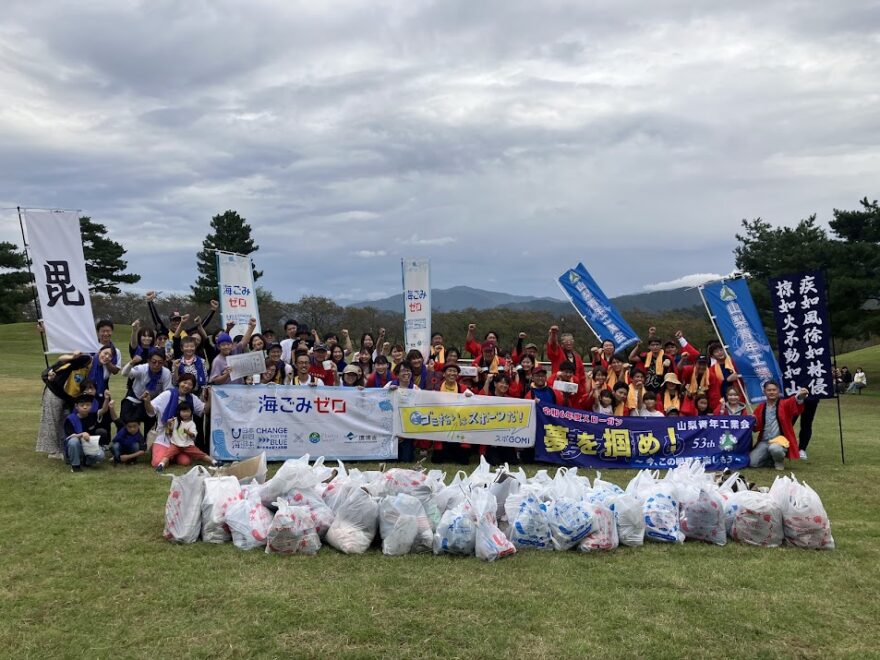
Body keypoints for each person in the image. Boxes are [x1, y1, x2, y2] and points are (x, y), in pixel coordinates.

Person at [36, 346, 116, 458]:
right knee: (52, 420)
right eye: (105, 353)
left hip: (69, 396)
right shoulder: (86, 359)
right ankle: (53, 451)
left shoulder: (98, 368)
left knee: (64, 420)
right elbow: (62, 359)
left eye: (110, 356)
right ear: (99, 352)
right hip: (55, 389)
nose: (107, 357)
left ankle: (62, 449)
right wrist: (72, 356)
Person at [144, 374, 210, 469]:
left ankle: (169, 455)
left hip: (181, 439)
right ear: (179, 382)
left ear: (192, 387)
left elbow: (205, 410)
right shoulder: (167, 394)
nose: (186, 386)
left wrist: (211, 396)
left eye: (190, 384)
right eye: (184, 382)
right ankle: (164, 453)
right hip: (165, 436)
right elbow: (151, 411)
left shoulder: (192, 398)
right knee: (156, 463)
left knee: (185, 462)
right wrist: (147, 401)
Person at [750, 382, 808, 470]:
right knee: (752, 463)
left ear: (778, 391)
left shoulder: (784, 404)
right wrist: (752, 420)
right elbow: (756, 428)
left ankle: (778, 461)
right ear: (764, 392)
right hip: (765, 441)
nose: (771, 392)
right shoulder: (761, 407)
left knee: (775, 448)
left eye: (774, 390)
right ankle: (770, 460)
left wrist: (800, 396)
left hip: (780, 441)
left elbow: (794, 401)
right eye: (769, 390)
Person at [120, 350, 172, 433]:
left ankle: (147, 443)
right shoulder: (142, 368)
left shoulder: (166, 373)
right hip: (135, 397)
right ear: (148, 361)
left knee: (150, 427)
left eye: (160, 362)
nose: (156, 365)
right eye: (154, 362)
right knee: (126, 423)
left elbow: (167, 392)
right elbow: (124, 373)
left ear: (164, 362)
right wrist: (131, 362)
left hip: (152, 401)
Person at [154, 402, 215, 472]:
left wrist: (187, 432)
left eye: (188, 411)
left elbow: (193, 435)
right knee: (167, 454)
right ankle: (161, 465)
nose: (185, 413)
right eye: (183, 411)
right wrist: (169, 424)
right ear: (179, 412)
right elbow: (169, 431)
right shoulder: (175, 420)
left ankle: (214, 462)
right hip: (175, 445)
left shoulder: (191, 424)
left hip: (188, 445)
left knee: (200, 454)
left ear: (191, 412)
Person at [63, 394, 107, 472]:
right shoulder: (70, 419)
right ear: (76, 406)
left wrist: (106, 399)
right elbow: (70, 437)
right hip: (76, 447)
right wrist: (82, 434)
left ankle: (86, 461)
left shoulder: (92, 417)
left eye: (88, 405)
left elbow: (103, 410)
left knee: (101, 455)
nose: (85, 407)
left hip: (88, 445)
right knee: (73, 441)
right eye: (82, 405)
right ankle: (75, 466)